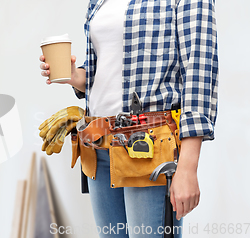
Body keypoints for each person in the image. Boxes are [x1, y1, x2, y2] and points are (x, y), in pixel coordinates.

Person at [39, 0, 218, 237]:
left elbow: (200, 71)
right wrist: (74, 76)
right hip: (99, 146)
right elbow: (105, 71)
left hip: (148, 148)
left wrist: (187, 167)